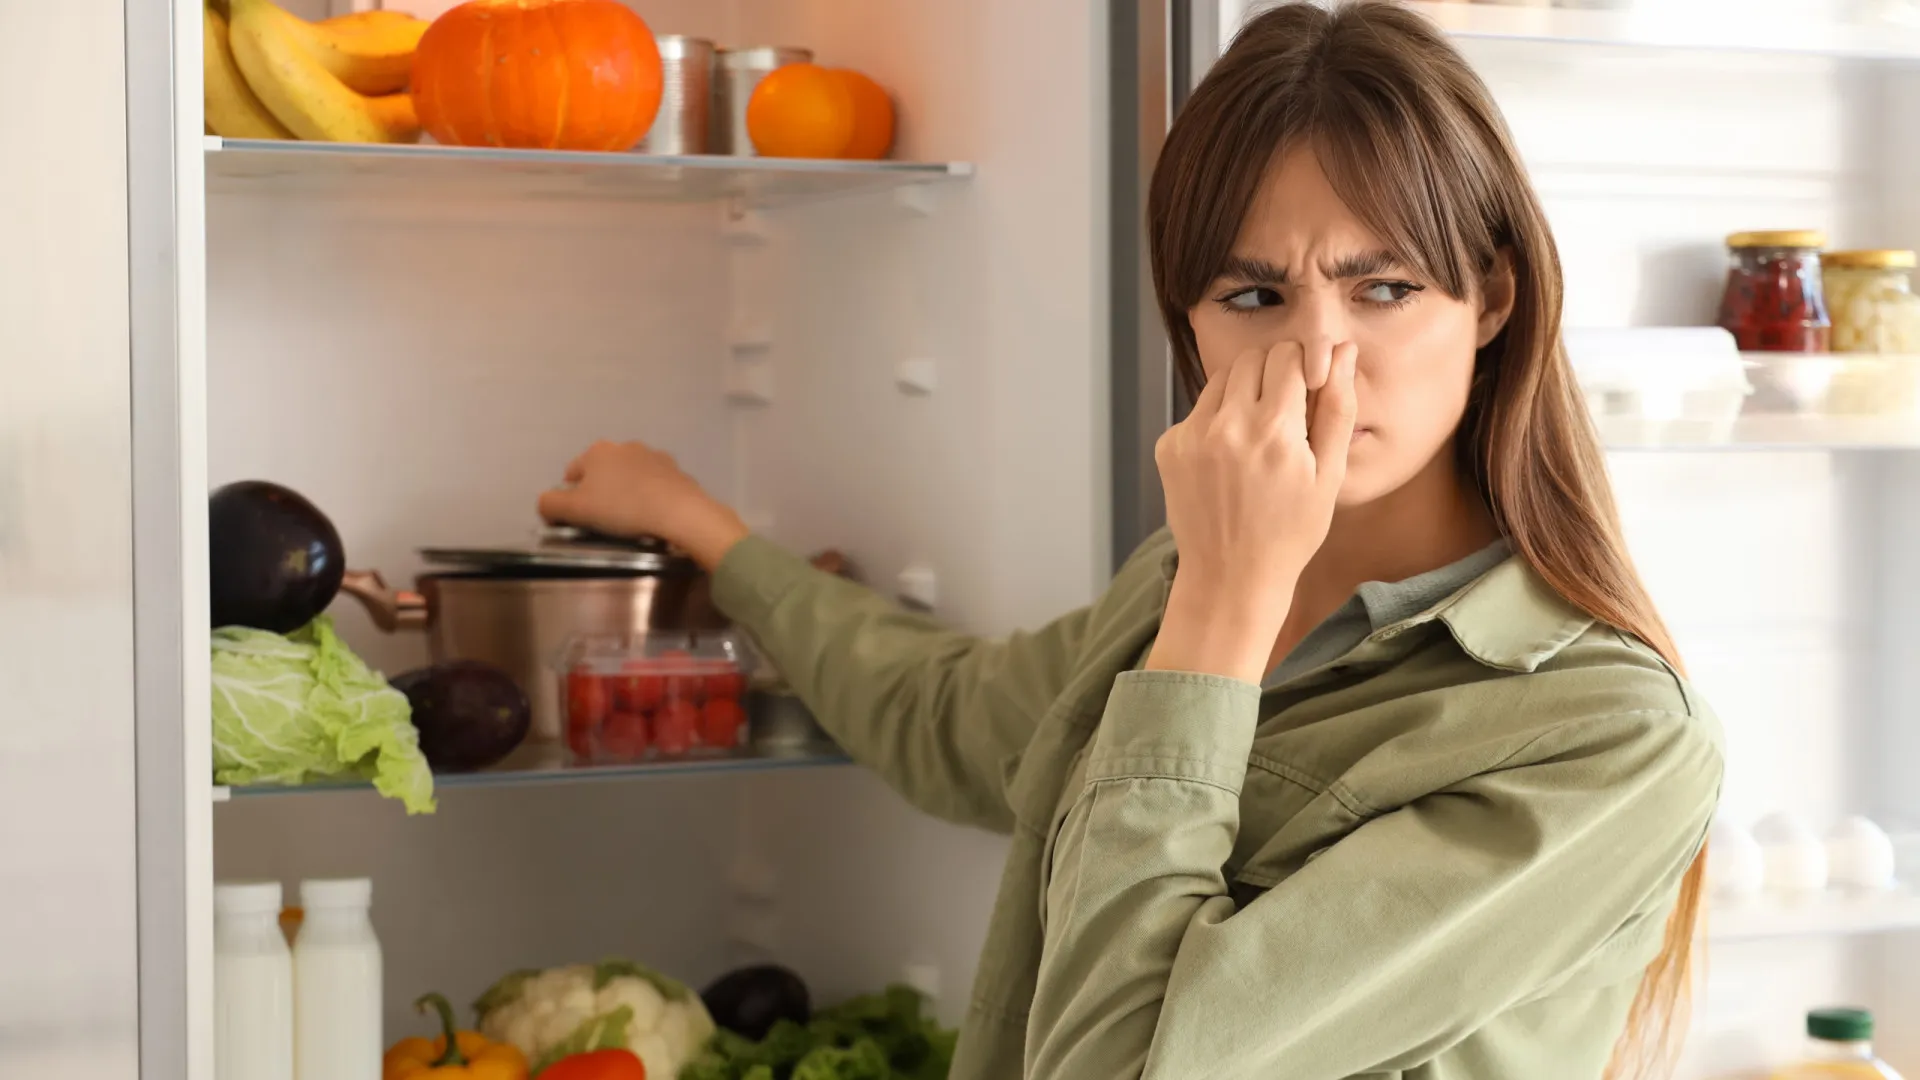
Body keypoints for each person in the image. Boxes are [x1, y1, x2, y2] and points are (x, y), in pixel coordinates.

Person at [537, 1, 1723, 1077]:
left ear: (1494, 298)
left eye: (1386, 288)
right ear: (1190, 327)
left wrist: (1224, 605)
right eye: (1253, 297)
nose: (1320, 360)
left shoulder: (1603, 735)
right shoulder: (1178, 581)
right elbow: (950, 721)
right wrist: (705, 528)